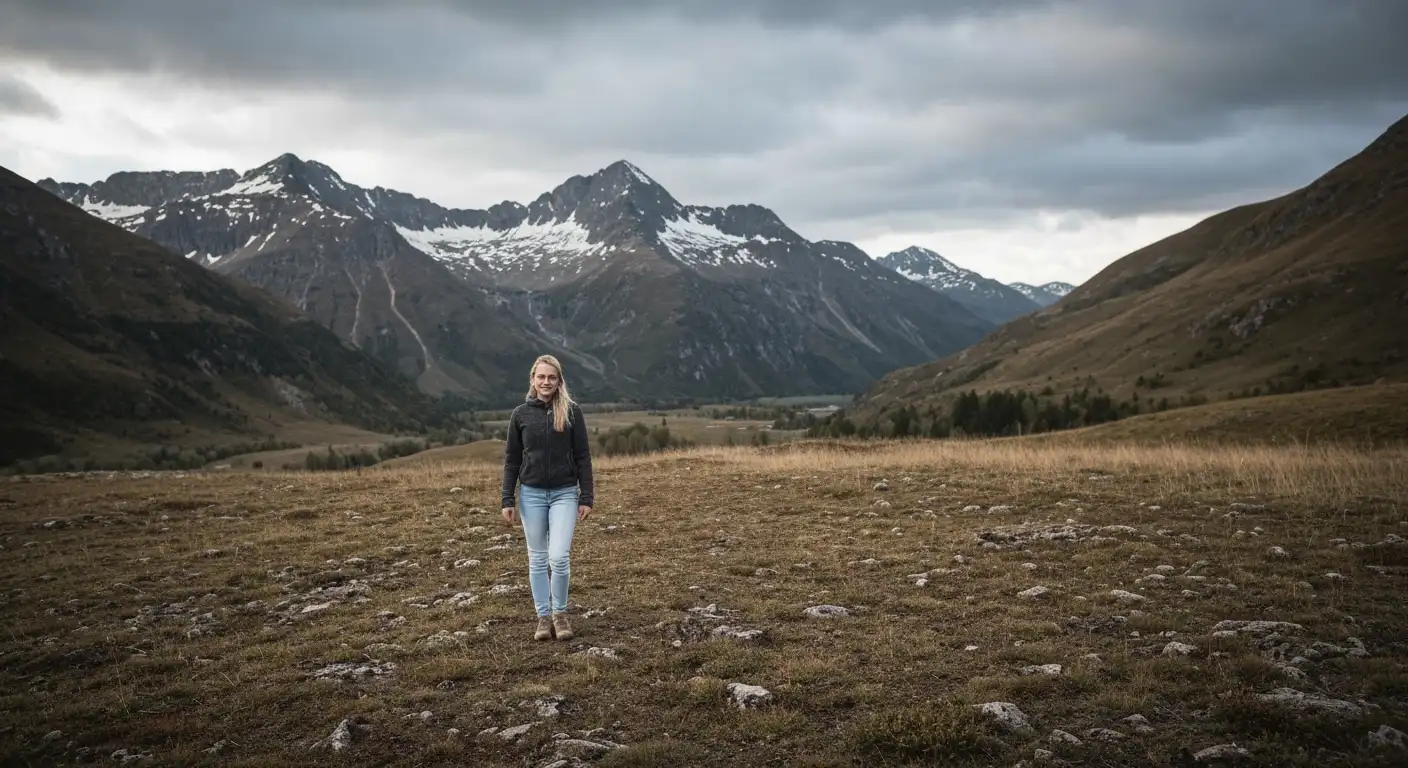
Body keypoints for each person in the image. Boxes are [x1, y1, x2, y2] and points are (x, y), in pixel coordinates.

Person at [500, 354, 594, 641]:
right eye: (541, 376)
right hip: (531, 495)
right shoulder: (520, 415)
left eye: (551, 377)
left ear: (559, 381)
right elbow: (512, 459)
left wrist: (586, 496)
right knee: (538, 560)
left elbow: (582, 456)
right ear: (532, 380)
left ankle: (560, 615)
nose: (546, 382)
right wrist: (507, 498)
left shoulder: (572, 412)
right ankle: (543, 618)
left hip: (565, 493)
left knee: (559, 557)